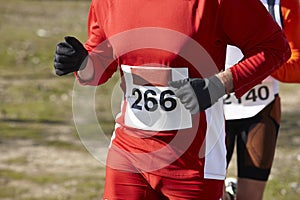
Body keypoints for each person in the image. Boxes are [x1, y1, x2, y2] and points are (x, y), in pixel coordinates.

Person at [53, 0, 291, 199]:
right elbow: (98, 67)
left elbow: (274, 48)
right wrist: (81, 64)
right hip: (128, 154)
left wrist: (218, 85)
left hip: (193, 163)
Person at [222, 0, 300, 199]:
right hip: (217, 109)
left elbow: (297, 66)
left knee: (251, 196)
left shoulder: (284, 5)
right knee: (211, 193)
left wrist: (262, 63)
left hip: (261, 107)